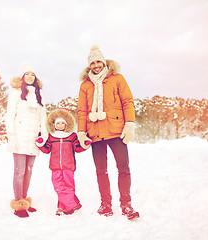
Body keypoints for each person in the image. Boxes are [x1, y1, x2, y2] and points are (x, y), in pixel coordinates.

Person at [77, 45, 139, 220]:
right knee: (101, 171)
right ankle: (106, 204)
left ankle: (126, 204)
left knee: (123, 168)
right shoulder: (85, 85)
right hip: (95, 133)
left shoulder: (117, 78)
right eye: (92, 63)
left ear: (104, 62)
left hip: (116, 131)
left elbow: (127, 101)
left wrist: (129, 125)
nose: (96, 65)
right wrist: (81, 132)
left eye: (98, 61)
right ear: (89, 65)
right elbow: (82, 110)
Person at [6, 63, 47, 218]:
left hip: (33, 138)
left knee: (28, 172)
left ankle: (24, 200)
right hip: (19, 136)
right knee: (19, 171)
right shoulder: (16, 93)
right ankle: (18, 203)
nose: (30, 77)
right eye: (27, 74)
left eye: (32, 74)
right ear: (22, 77)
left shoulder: (38, 94)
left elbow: (43, 116)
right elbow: (10, 115)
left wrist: (43, 133)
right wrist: (11, 135)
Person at [35, 108, 90, 216]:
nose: (60, 125)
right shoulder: (51, 136)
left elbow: (78, 148)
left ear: (67, 124)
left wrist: (85, 143)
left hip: (69, 166)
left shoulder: (72, 136)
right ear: (54, 124)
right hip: (55, 166)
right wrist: (40, 143)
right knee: (58, 186)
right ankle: (72, 205)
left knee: (68, 186)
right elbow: (46, 149)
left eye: (62, 123)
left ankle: (61, 206)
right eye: (58, 123)